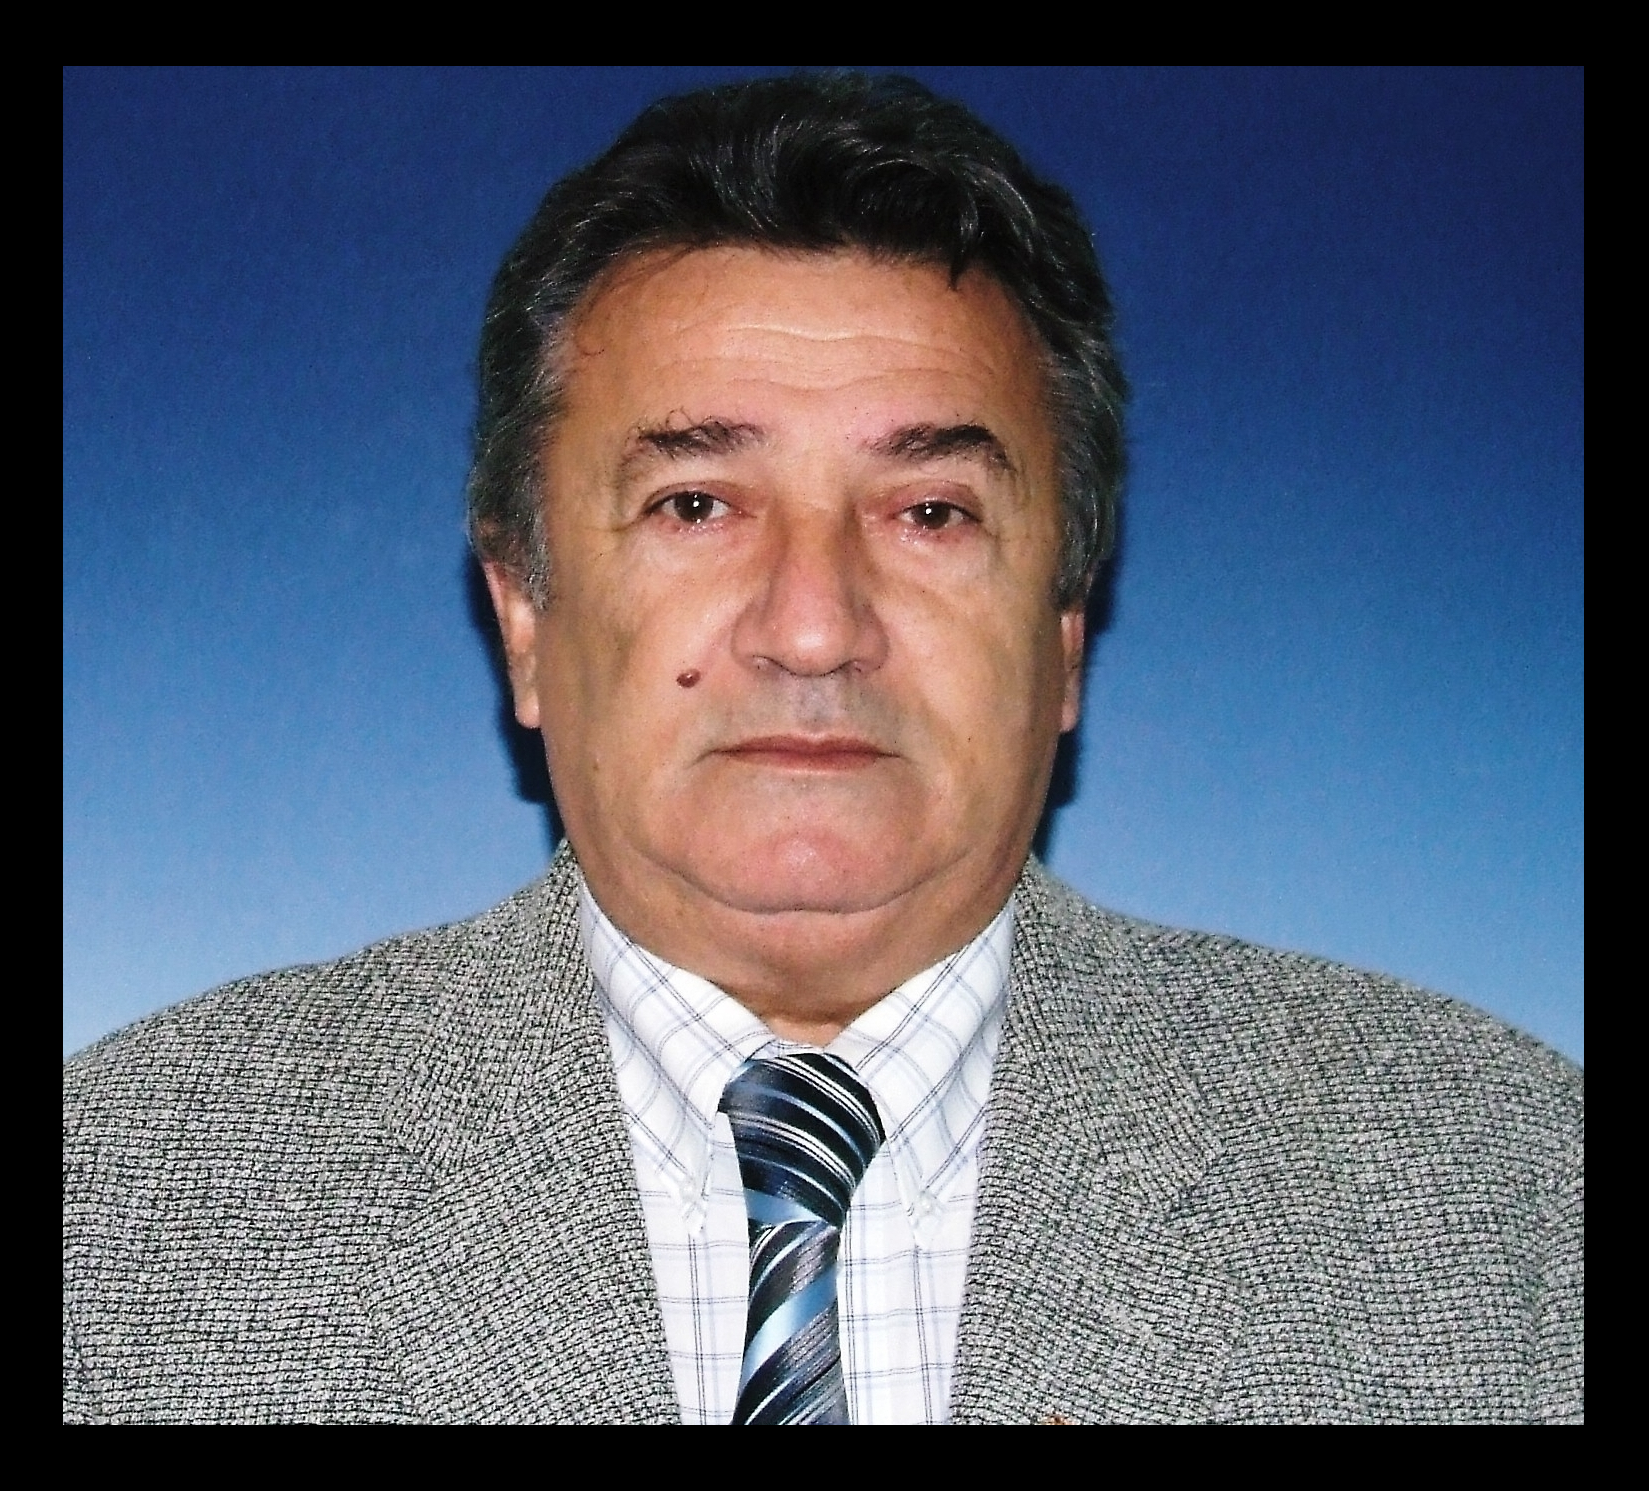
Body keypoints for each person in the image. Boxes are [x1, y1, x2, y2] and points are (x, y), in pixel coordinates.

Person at [62, 73, 1582, 1425]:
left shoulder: (1503, 1186)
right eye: (696, 504)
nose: (811, 626)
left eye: (929, 513)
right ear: (523, 613)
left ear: (1065, 631)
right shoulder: (124, 1198)